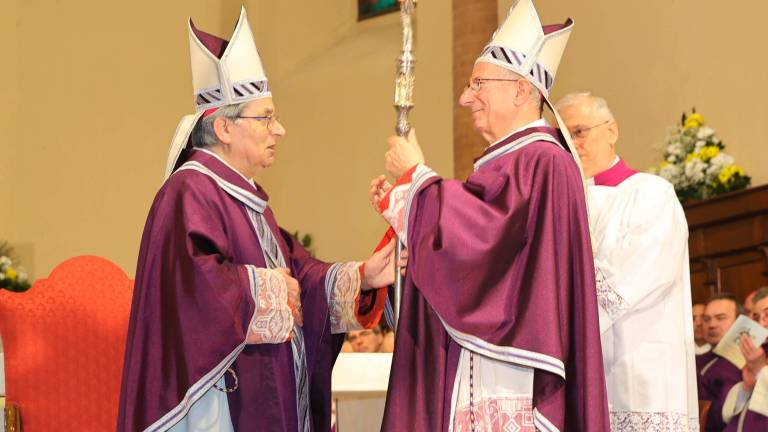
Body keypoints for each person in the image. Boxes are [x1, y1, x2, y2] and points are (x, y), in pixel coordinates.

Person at [117, 9, 395, 431]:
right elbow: (190, 293)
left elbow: (298, 273)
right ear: (224, 128)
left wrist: (363, 276)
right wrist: (266, 289)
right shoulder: (189, 193)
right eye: (266, 117)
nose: (279, 130)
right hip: (214, 407)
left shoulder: (247, 200)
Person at [369, 1, 610, 430]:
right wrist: (412, 220)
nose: (466, 98)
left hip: (512, 373)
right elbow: (478, 246)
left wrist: (418, 180)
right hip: (487, 364)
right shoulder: (512, 162)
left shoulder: (542, 161)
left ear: (521, 89)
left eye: (478, 83)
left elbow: (487, 241)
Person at [556, 93, 699, 429]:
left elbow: (637, 275)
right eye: (562, 138)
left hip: (641, 371)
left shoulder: (651, 194)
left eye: (579, 132)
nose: (571, 145)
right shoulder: (559, 206)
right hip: (580, 372)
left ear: (612, 130)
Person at [721, 287, 768, 431]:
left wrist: (761, 370)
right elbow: (728, 417)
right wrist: (746, 387)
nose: (761, 323)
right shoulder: (760, 349)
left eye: (767, 315)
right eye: (755, 317)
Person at [698, 294, 745, 431]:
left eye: (720, 318)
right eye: (706, 319)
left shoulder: (744, 362)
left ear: (740, 322)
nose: (711, 325)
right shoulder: (701, 358)